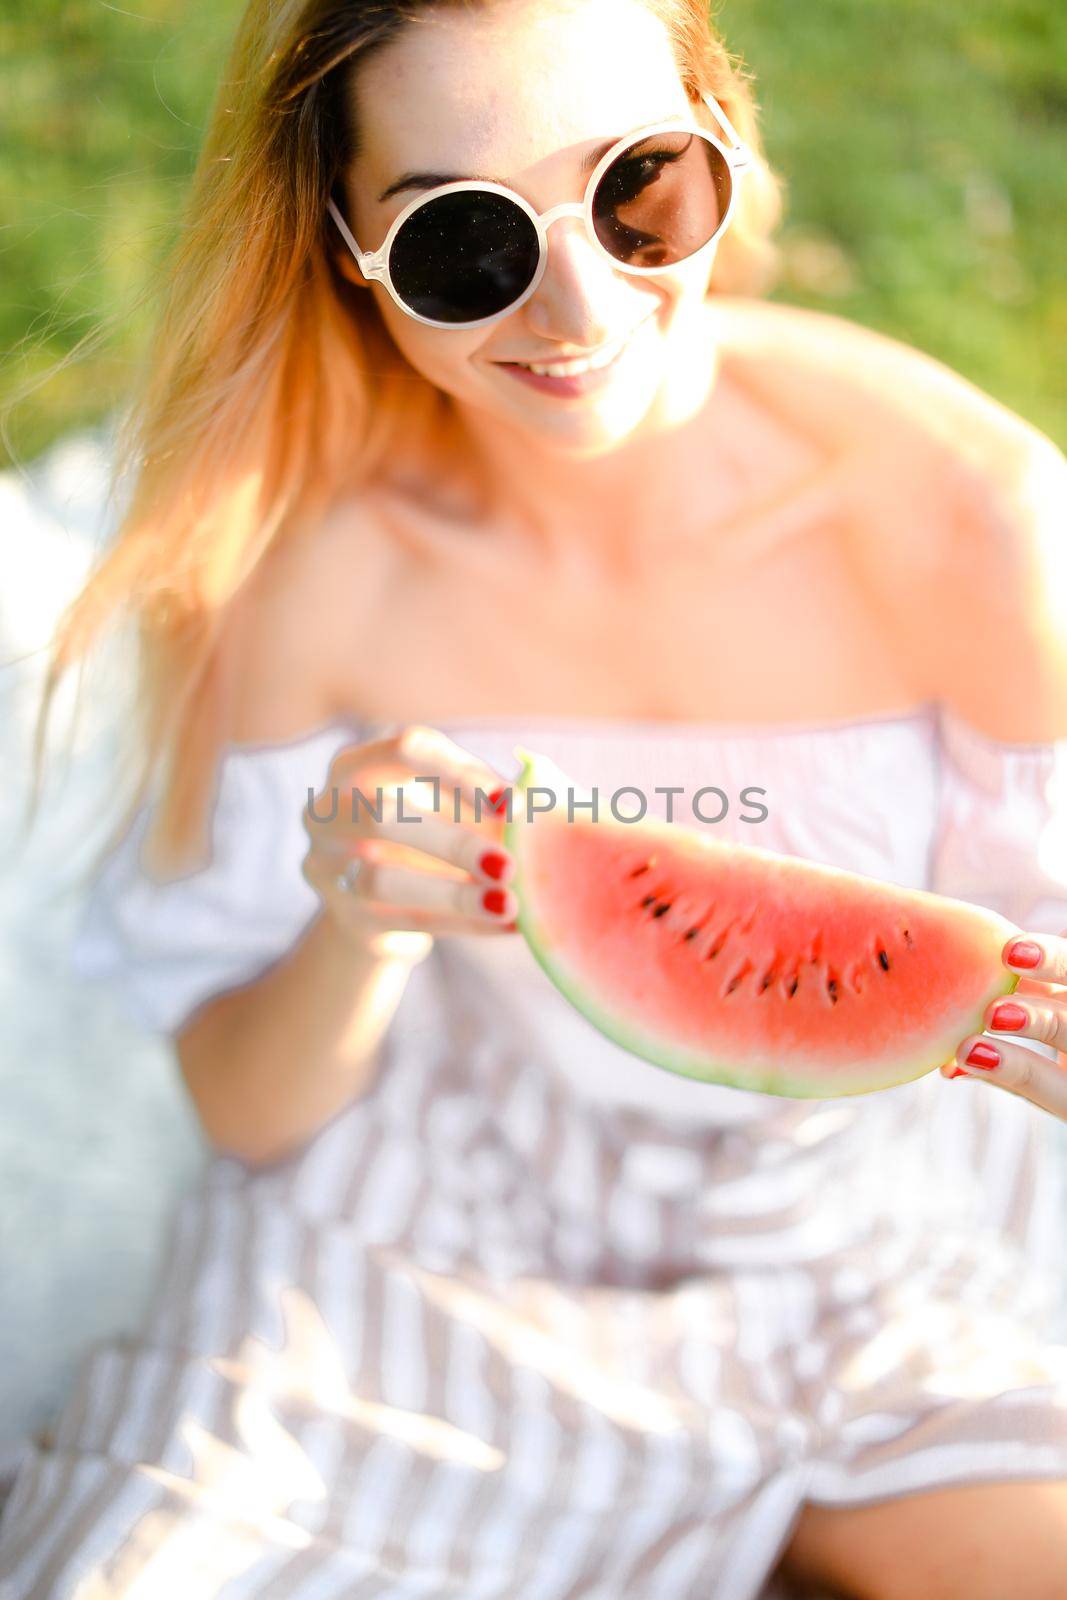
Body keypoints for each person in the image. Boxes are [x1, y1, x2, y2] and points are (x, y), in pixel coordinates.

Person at [3, 0, 1067, 1595]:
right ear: (345, 254)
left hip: (865, 1207)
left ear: (727, 141)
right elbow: (249, 1110)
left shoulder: (962, 519)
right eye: (459, 241)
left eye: (642, 184)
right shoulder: (303, 574)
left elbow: (1023, 969)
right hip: (430, 1237)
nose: (579, 304)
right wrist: (356, 933)